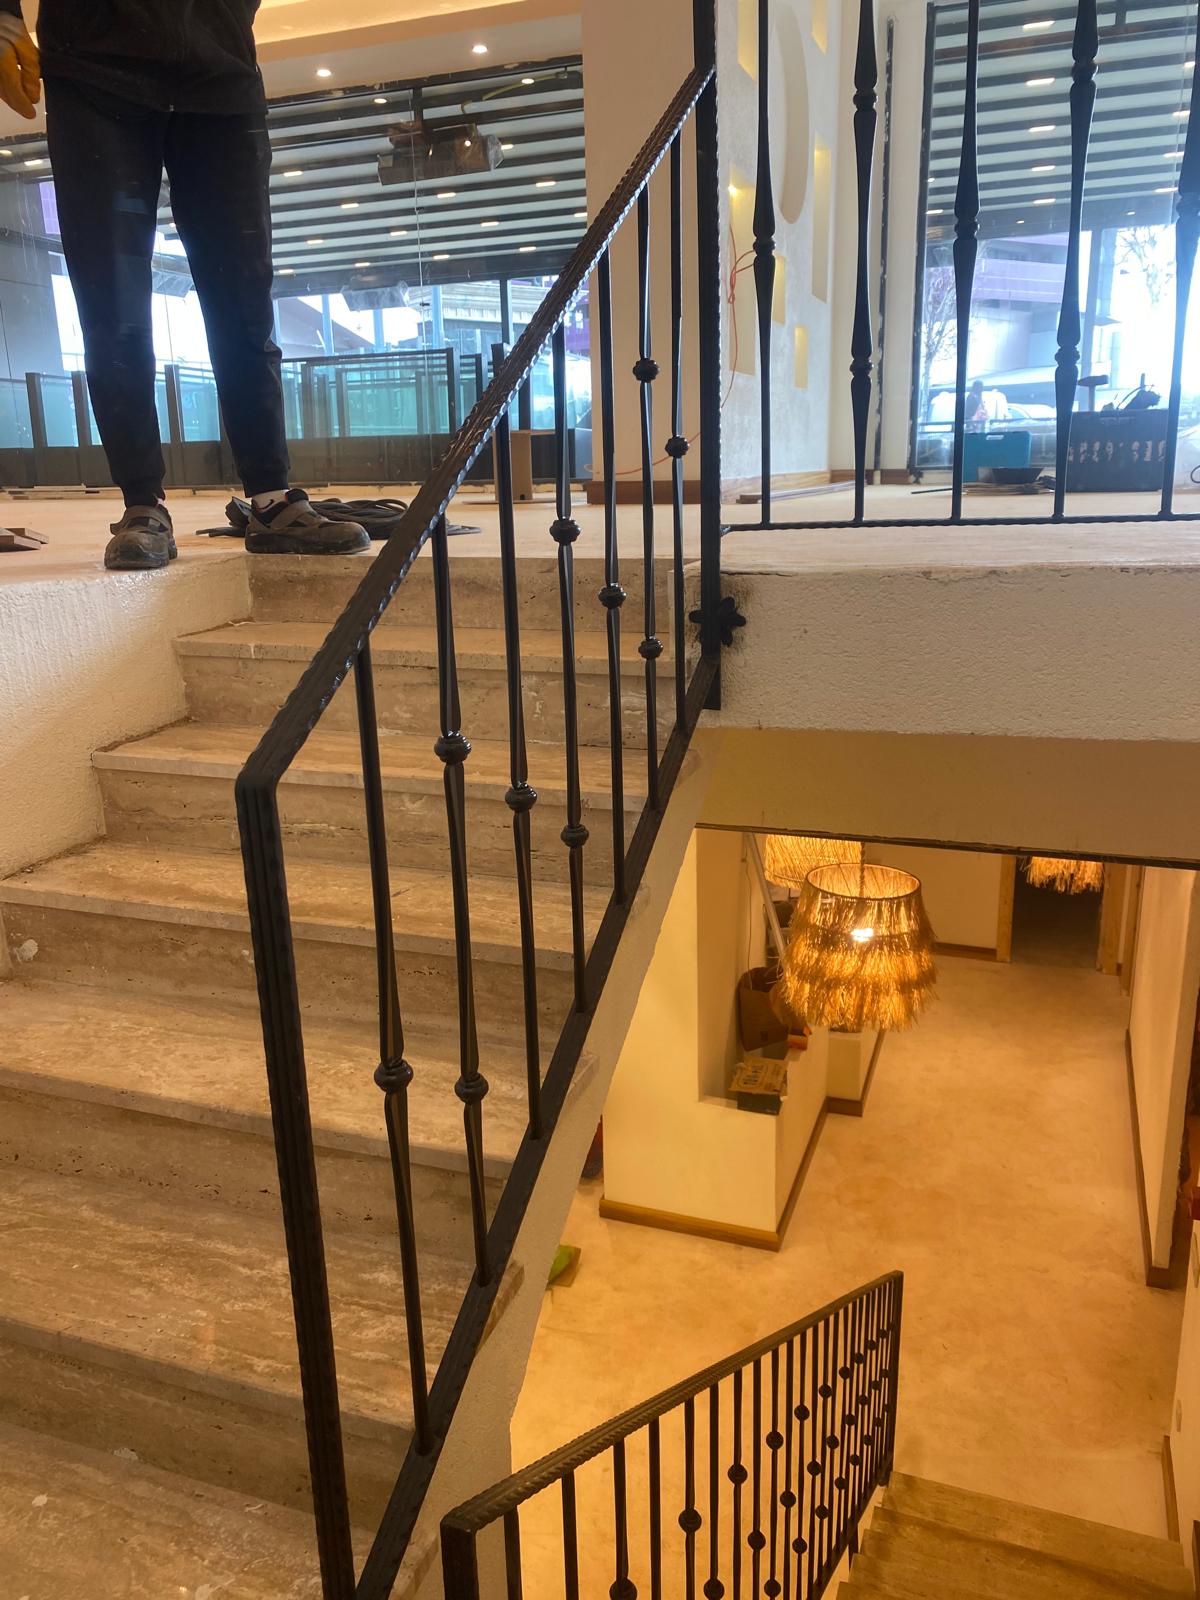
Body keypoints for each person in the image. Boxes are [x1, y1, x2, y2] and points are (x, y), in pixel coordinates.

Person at [0, 0, 368, 569]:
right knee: (111, 302)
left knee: (244, 300)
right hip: (94, 64)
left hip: (221, 66)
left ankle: (271, 498)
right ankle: (142, 504)